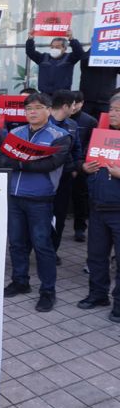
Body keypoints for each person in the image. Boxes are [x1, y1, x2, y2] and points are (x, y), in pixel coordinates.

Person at [0, 93, 72, 312]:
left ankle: (48, 291)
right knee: (16, 243)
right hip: (14, 196)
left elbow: (51, 164)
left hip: (41, 199)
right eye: (29, 108)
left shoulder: (60, 135)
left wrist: (19, 163)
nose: (32, 112)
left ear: (49, 110)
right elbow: (4, 159)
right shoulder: (15, 133)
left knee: (42, 246)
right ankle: (20, 281)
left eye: (38, 107)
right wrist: (22, 162)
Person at [79, 93, 120, 322]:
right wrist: (85, 168)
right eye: (111, 109)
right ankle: (97, 294)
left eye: (118, 110)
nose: (113, 113)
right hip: (97, 207)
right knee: (96, 256)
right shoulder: (102, 137)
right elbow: (82, 162)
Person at [49, 90, 82, 255]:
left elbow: (77, 150)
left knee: (60, 216)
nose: (75, 108)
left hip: (65, 177)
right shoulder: (43, 121)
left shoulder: (73, 125)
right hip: (44, 176)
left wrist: (75, 168)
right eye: (74, 104)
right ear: (65, 106)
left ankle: (53, 250)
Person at [70, 91, 97, 242]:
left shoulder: (90, 121)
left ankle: (80, 228)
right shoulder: (61, 119)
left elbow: (91, 144)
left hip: (82, 164)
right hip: (66, 163)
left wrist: (79, 165)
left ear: (82, 103)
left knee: (80, 197)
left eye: (77, 103)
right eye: (71, 103)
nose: (74, 107)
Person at [25, 29, 84, 94]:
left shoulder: (69, 58)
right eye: (52, 47)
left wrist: (71, 39)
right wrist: (30, 39)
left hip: (62, 95)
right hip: (45, 94)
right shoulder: (43, 57)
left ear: (64, 48)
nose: (54, 49)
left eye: (57, 47)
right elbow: (30, 52)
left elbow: (79, 53)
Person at [79, 49, 120, 118]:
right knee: (85, 124)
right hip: (87, 100)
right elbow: (83, 57)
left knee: (103, 125)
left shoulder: (113, 59)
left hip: (106, 101)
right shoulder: (88, 57)